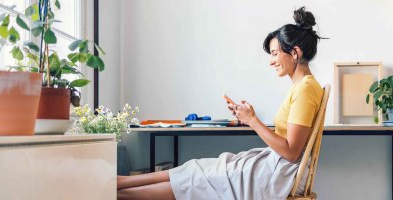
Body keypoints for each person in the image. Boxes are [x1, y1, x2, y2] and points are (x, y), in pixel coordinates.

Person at [117, 6, 326, 200]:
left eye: (274, 54)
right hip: (273, 166)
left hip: (279, 174)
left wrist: (252, 121)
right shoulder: (303, 87)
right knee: (195, 169)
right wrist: (250, 117)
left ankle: (114, 192)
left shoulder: (306, 89)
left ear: (295, 53)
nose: (271, 61)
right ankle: (121, 183)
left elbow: (291, 152)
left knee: (198, 180)